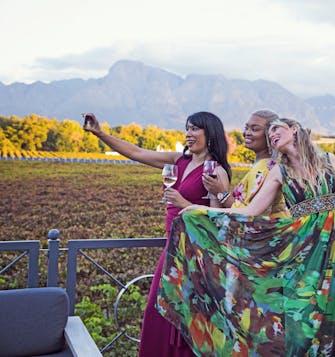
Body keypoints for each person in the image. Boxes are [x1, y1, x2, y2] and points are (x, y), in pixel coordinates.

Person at [156, 118, 335, 356]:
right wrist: (200, 211)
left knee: (327, 317)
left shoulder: (329, 161)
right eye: (270, 132)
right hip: (297, 252)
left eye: (277, 129)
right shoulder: (279, 172)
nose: (272, 135)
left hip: (332, 252)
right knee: (297, 320)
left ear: (294, 129)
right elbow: (250, 212)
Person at [83, 111, 231, 357]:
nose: (188, 134)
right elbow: (136, 153)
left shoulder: (215, 170)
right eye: (187, 128)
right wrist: (100, 133)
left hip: (195, 251)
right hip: (171, 246)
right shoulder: (178, 161)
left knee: (185, 314)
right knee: (158, 310)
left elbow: (217, 218)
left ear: (210, 133)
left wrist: (183, 203)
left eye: (195, 129)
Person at [202, 109, 287, 216]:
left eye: (254, 129)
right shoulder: (264, 165)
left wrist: (220, 193)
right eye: (246, 128)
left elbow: (248, 214)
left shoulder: (264, 168)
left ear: (270, 135)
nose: (247, 133)